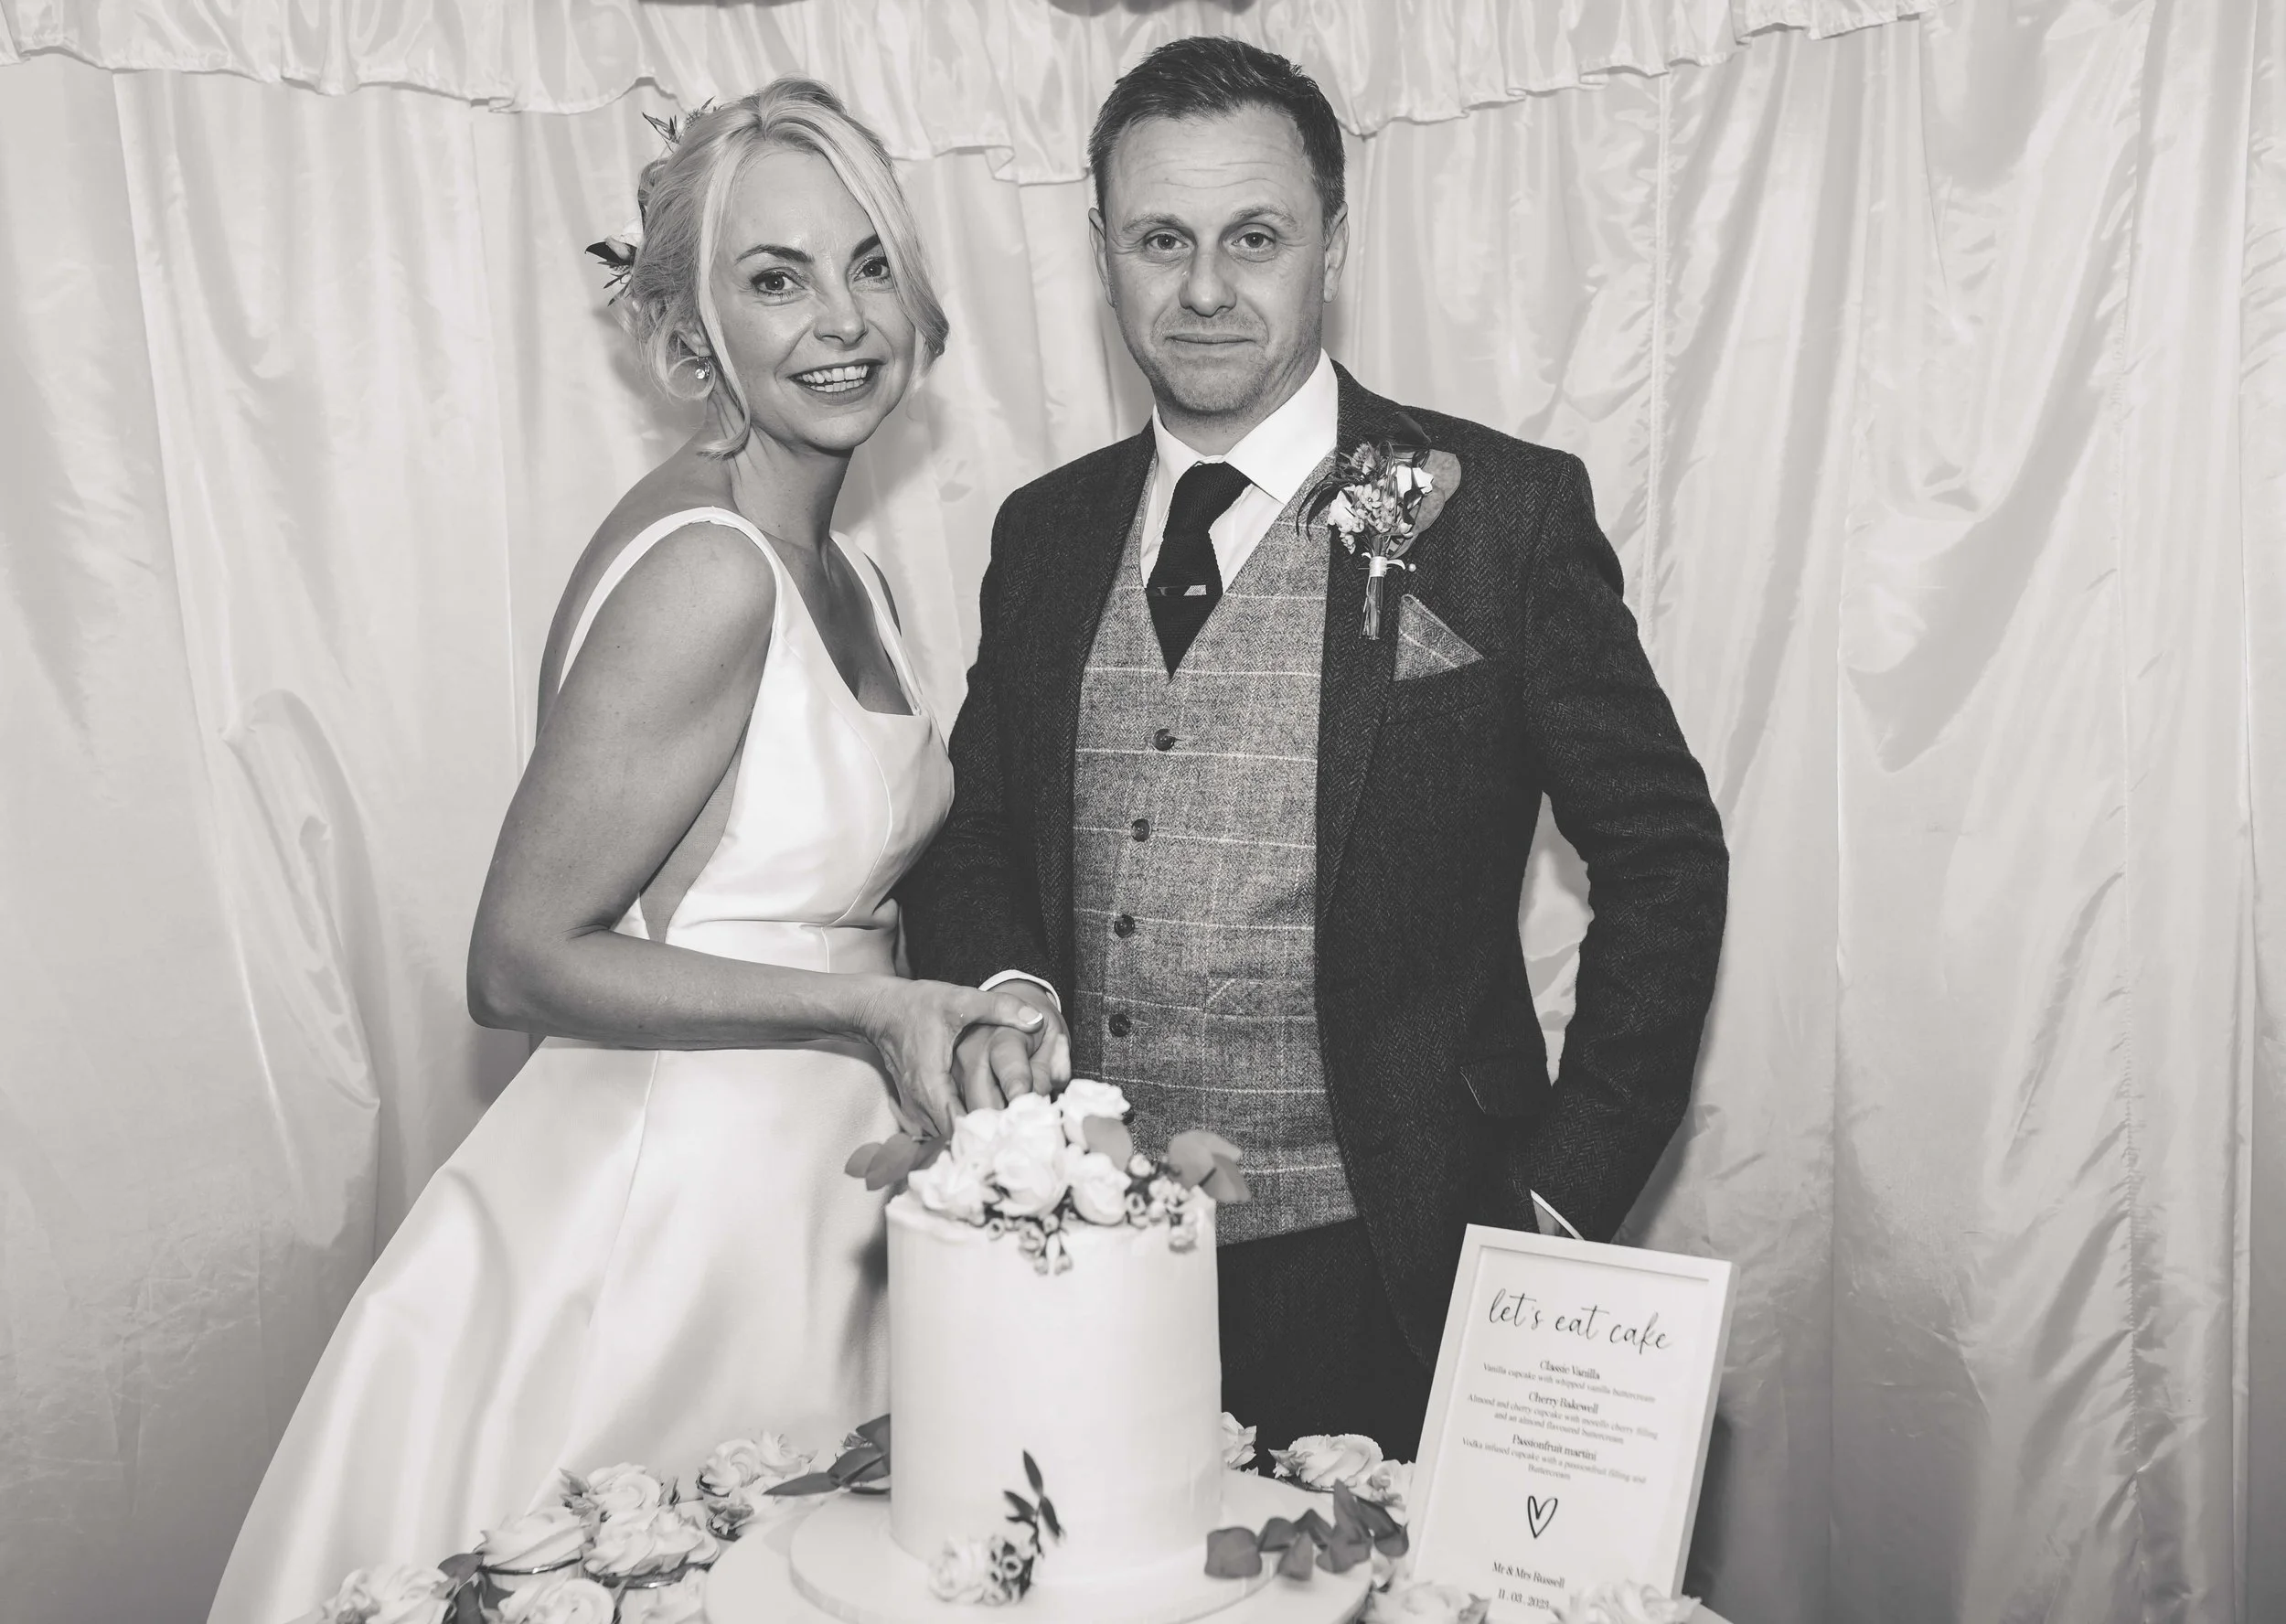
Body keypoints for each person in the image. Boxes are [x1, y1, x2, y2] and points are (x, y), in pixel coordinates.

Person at [208, 81, 1054, 1623]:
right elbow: (519, 958)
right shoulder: (711, 573)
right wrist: (867, 1012)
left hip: (809, 1203)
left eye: (869, 263)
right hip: (672, 1216)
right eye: (775, 278)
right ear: (690, 332)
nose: (842, 319)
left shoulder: (844, 564)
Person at [896, 37, 1728, 1461]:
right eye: (1162, 240)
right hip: (1077, 1266)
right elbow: (976, 835)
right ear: (1103, 257)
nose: (1207, 289)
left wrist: (1558, 1196)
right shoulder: (1044, 530)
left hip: (1397, 1271)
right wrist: (1009, 994)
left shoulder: (1493, 512)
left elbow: (1663, 859)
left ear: (1331, 246)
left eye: (1255, 238)